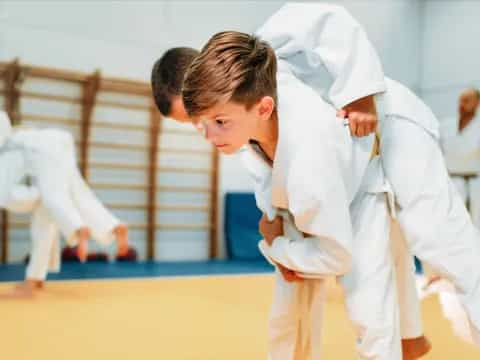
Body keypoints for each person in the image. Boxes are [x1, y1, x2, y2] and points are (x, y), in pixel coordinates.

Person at [256, 2, 480, 347]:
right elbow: (276, 169)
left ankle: (411, 336)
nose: (204, 129)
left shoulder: (259, 48)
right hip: (358, 157)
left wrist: (359, 93)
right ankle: (409, 337)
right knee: (385, 249)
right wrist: (274, 224)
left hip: (391, 123)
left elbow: (329, 19)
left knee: (440, 241)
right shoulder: (240, 126)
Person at [0, 111, 129, 297]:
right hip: (58, 142)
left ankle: (77, 228)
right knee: (76, 194)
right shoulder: (17, 136)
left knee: (50, 197)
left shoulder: (7, 150)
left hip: (39, 150)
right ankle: (113, 225)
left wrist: (37, 196)